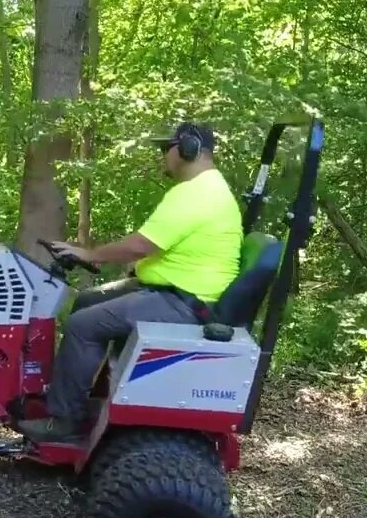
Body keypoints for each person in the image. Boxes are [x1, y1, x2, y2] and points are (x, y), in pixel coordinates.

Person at [17, 123, 244, 442]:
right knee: (86, 302)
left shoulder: (197, 193)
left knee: (83, 325)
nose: (163, 157)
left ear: (187, 148)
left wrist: (90, 254)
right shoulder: (207, 189)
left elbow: (141, 245)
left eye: (166, 149)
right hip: (177, 290)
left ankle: (65, 422)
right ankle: (84, 397)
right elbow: (166, 247)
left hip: (186, 302)